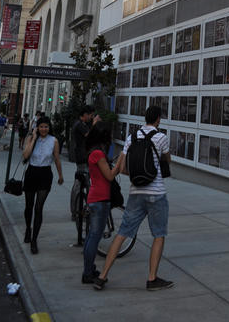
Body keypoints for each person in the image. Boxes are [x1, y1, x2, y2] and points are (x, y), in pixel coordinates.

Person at [94, 105, 173, 292]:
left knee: (122, 233)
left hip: (135, 193)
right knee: (158, 235)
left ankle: (102, 276)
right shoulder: (161, 137)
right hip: (156, 193)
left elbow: (122, 168)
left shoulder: (132, 137)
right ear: (158, 119)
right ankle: (152, 279)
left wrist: (137, 175)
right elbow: (167, 160)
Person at [82, 122, 121, 284]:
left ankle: (89, 270)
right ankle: (88, 272)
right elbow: (110, 176)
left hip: (95, 197)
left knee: (91, 236)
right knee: (94, 237)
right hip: (100, 198)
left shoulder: (93, 151)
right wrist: (120, 161)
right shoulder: (98, 154)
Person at [22, 115, 63, 254]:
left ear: (49, 127)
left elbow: (57, 159)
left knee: (38, 208)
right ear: (37, 128)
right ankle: (28, 229)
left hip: (45, 175)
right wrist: (34, 138)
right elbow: (25, 155)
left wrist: (60, 175)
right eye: (41, 127)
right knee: (29, 206)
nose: (44, 129)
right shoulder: (31, 138)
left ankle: (34, 240)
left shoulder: (54, 141)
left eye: (46, 126)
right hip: (31, 173)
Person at [70, 105, 99, 220]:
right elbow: (89, 135)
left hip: (83, 157)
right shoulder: (79, 125)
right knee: (81, 183)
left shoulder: (82, 124)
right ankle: (76, 211)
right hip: (82, 157)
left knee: (82, 183)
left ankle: (78, 210)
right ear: (85, 114)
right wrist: (95, 123)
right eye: (91, 115)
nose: (91, 118)